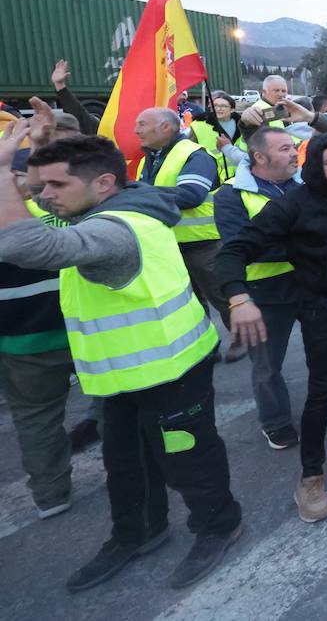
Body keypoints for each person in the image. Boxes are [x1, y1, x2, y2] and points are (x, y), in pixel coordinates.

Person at [0, 126, 242, 590]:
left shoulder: (114, 230)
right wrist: (37, 156)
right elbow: (29, 215)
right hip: (120, 376)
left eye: (56, 185)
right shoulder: (97, 209)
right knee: (126, 464)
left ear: (104, 183)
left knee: (189, 461)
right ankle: (138, 532)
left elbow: (23, 243)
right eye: (42, 185)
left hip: (171, 372)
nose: (44, 195)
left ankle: (219, 525)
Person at [217, 124, 327, 523]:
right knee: (320, 393)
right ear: (316, 165)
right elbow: (234, 250)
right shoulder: (293, 204)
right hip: (321, 308)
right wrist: (238, 297)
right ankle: (311, 476)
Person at [213, 103, 327, 451]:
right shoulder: (231, 195)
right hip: (266, 292)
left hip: (313, 284)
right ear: (259, 157)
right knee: (267, 363)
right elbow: (242, 246)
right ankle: (276, 422)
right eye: (285, 148)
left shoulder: (308, 185)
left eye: (293, 146)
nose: (295, 153)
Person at [133, 106, 246, 363]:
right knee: (189, 301)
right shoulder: (148, 158)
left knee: (222, 295)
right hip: (168, 242)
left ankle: (242, 339)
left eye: (142, 124)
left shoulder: (194, 155)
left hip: (203, 242)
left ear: (165, 127)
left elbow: (190, 196)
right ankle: (206, 345)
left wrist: (140, 194)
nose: (136, 130)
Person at [1, 139, 75, 521]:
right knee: (115, 405)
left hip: (21, 339)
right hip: (83, 329)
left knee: (36, 418)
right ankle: (136, 472)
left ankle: (51, 493)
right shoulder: (65, 208)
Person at [188, 90, 249, 183]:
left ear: (232, 109)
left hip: (241, 176)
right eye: (215, 105)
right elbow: (189, 150)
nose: (219, 109)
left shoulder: (244, 125)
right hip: (211, 176)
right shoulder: (198, 125)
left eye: (223, 106)